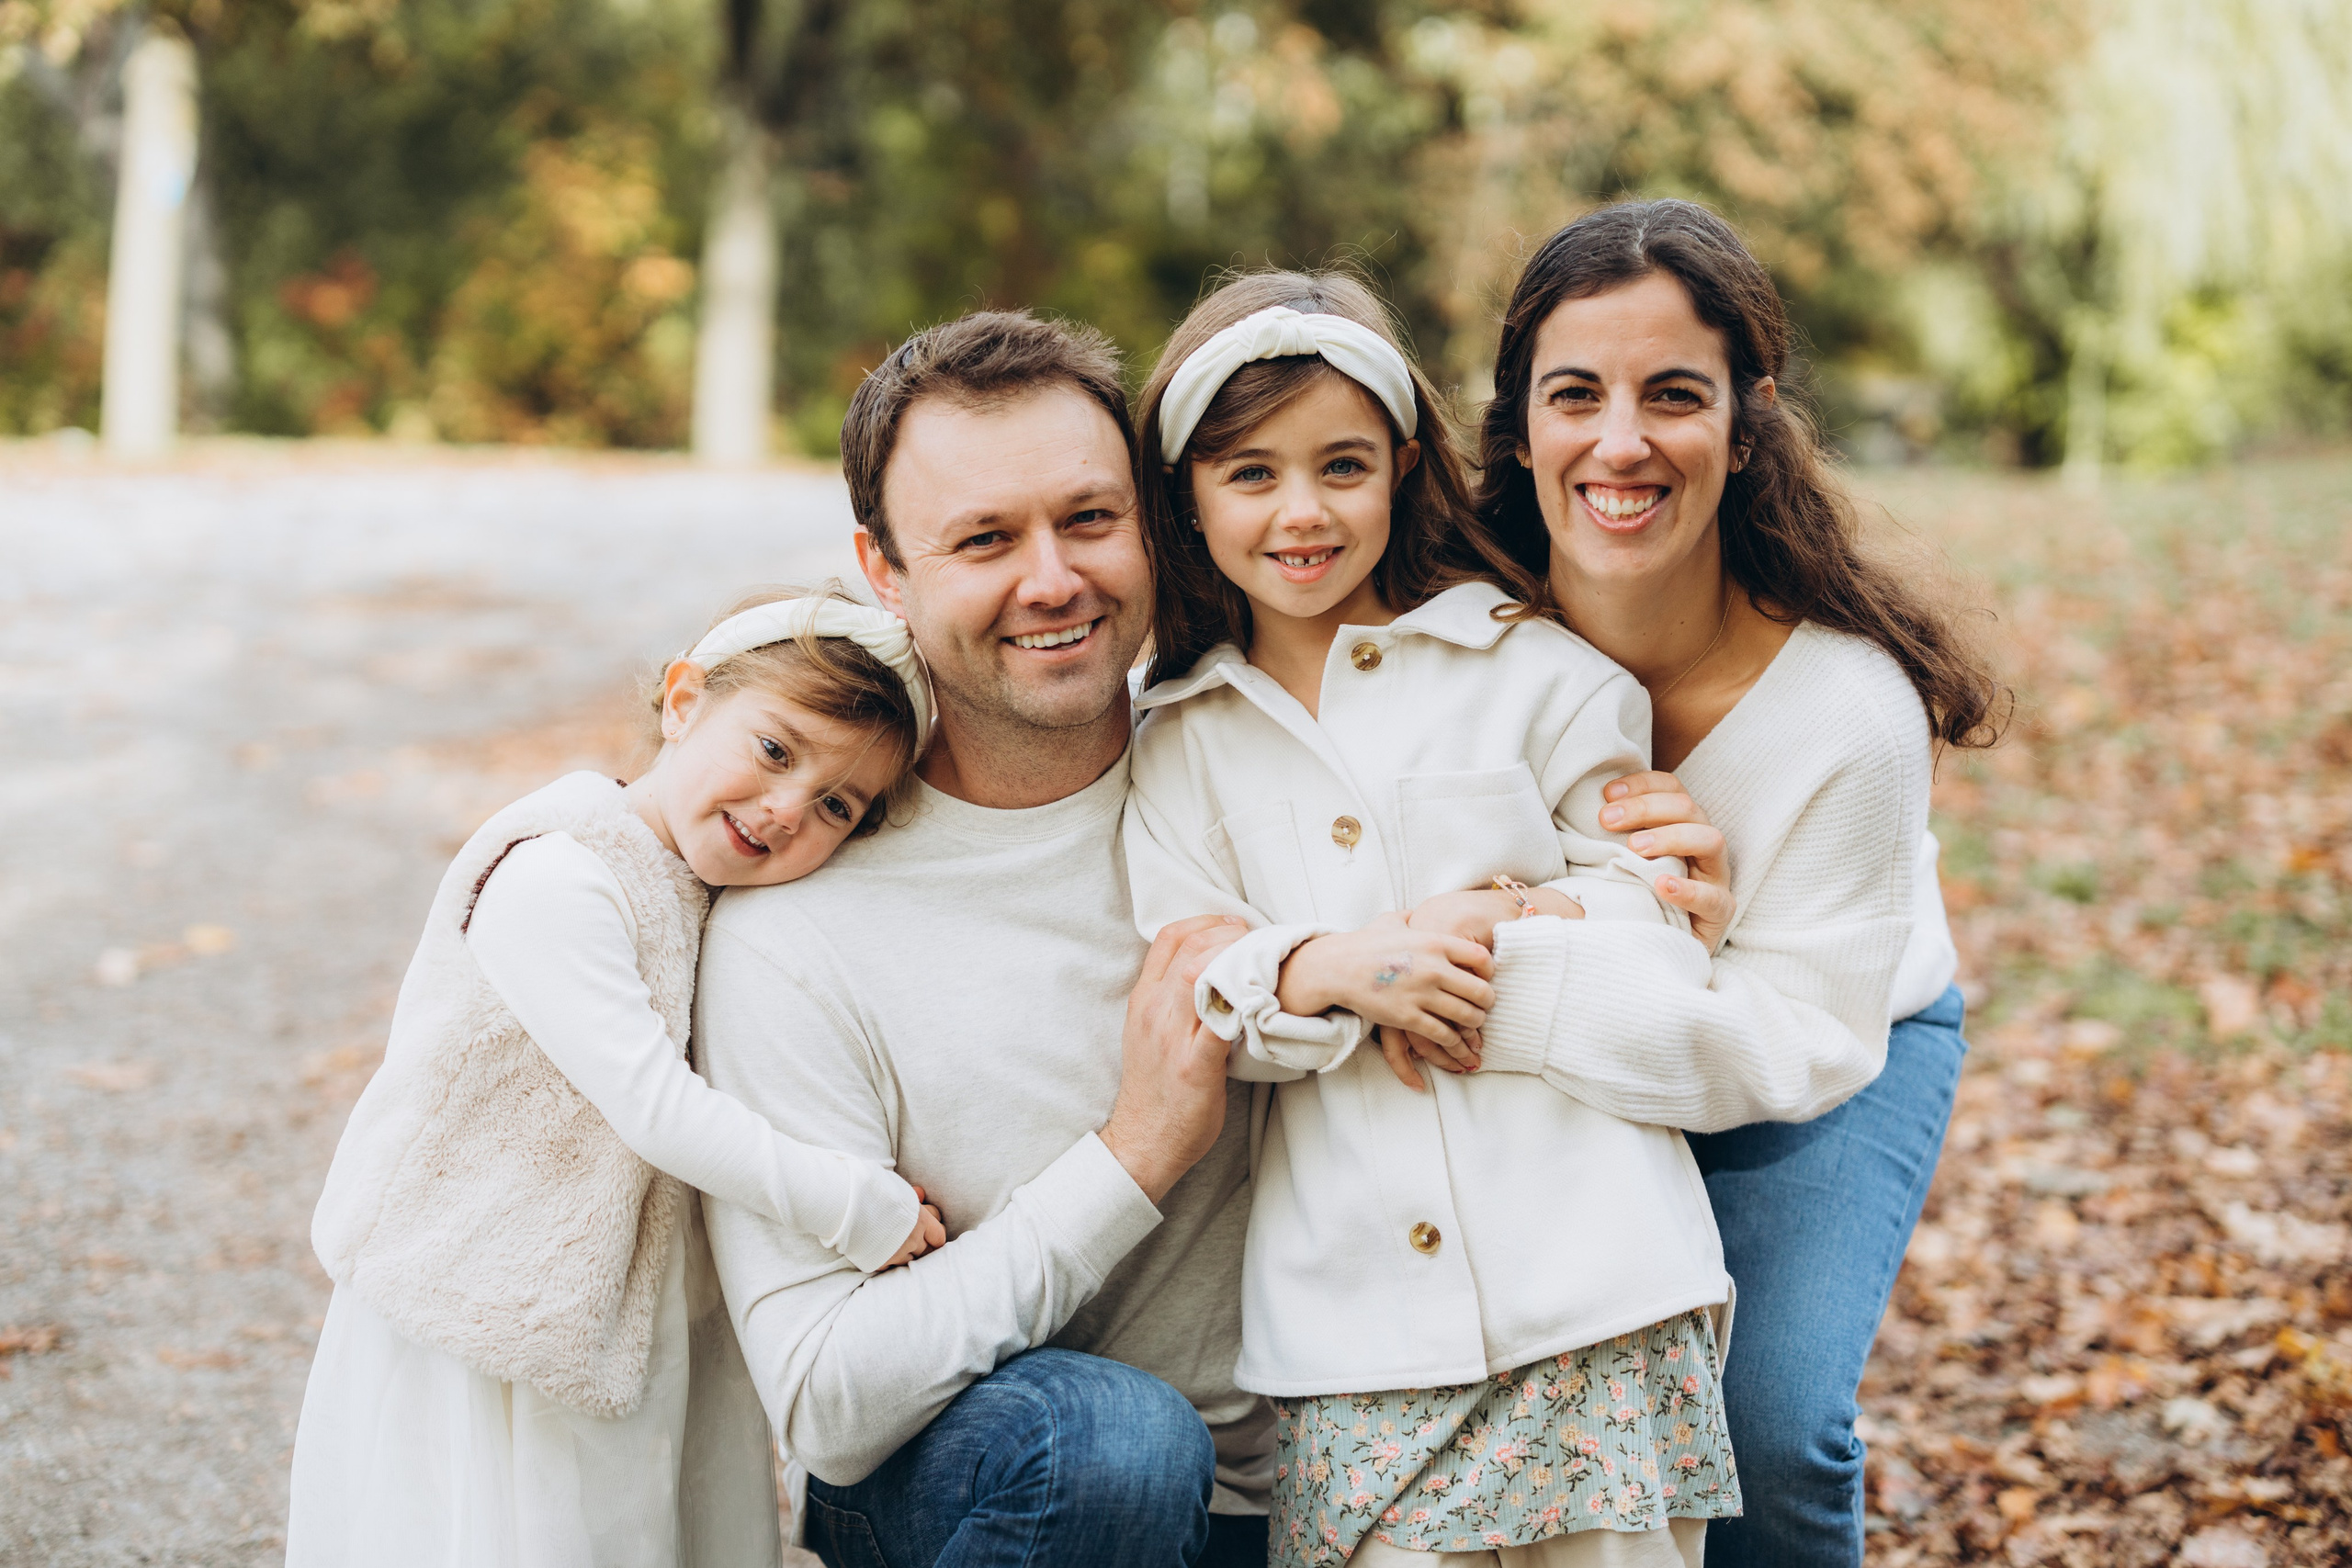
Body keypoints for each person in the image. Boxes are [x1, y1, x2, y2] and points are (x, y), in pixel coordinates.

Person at [1121, 270, 1742, 1568]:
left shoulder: (1531, 667)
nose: (1302, 511)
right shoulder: (1176, 741)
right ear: (1184, 491)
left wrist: (1515, 917)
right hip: (1355, 1325)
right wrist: (1330, 966)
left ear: (1403, 468)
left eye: (1342, 466)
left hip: (1597, 1282)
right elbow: (1193, 982)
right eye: (1250, 474)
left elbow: (1662, 913)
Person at [690, 312, 1273, 1568]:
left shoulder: (1268, 772)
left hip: (1309, 1480)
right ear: (884, 569)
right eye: (984, 540)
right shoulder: (800, 923)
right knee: (1109, 1446)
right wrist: (1132, 1156)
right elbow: (829, 1403)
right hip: (1000, 1479)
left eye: (1090, 519)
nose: (1053, 578)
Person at [1468, 200, 2004, 1568]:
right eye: (1575, 393)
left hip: (1825, 1051)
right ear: (1519, 423)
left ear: (1747, 418)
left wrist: (1543, 967)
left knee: (1759, 1416)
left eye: (1674, 395)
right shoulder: (1449, 635)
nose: (1620, 440)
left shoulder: (1846, 709)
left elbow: (1794, 1033)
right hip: (1581, 1047)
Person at [287, 584, 950, 1568]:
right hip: (487, 1307)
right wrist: (856, 1204)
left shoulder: (705, 892)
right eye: (775, 750)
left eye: (836, 805)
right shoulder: (559, 876)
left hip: (622, 1310)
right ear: (684, 703)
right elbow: (653, 1106)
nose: (785, 809)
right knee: (508, 1535)